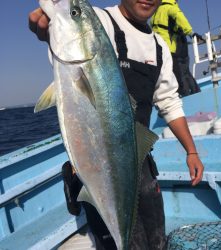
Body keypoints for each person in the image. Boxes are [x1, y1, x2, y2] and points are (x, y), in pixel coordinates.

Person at [29, 1, 204, 249]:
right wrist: (50, 33)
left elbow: (169, 102)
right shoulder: (100, 21)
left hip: (139, 159)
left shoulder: (159, 46)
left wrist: (192, 151)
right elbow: (67, 44)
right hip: (97, 163)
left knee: (156, 240)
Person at [151, 0, 203, 97]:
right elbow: (180, 18)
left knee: (170, 74)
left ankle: (182, 94)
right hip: (170, 49)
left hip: (159, 50)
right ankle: (189, 95)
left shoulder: (156, 11)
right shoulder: (171, 8)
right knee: (180, 73)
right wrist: (191, 33)